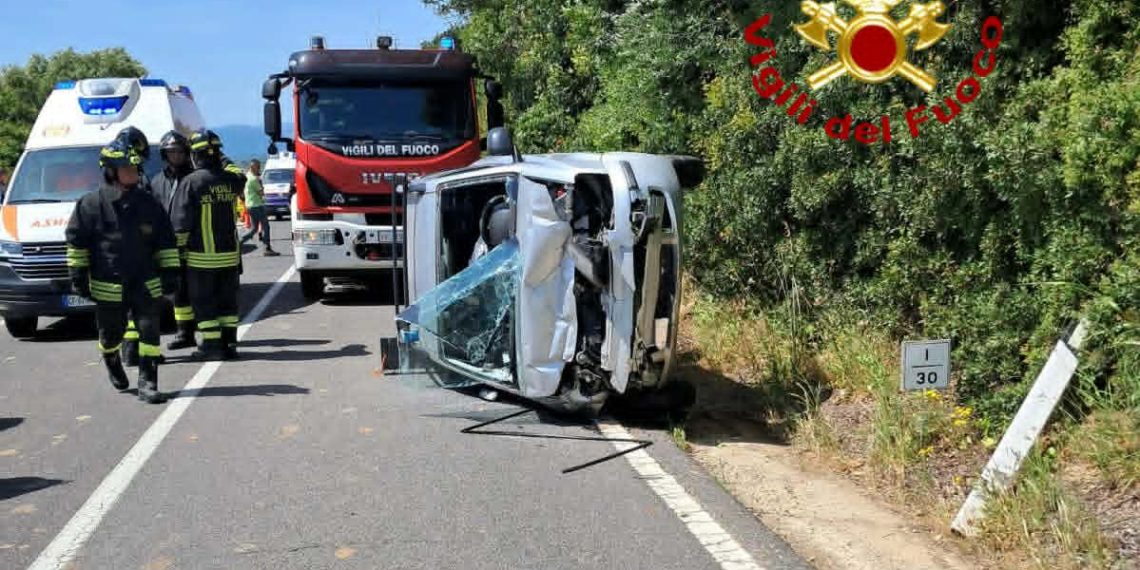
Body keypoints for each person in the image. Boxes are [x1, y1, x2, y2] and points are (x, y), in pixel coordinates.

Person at [65, 137, 179, 404]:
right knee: (111, 334)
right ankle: (110, 356)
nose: (133, 173)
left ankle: (148, 382)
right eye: (127, 168)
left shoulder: (149, 203)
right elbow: (76, 242)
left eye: (135, 168)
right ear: (111, 171)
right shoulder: (90, 204)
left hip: (145, 281)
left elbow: (165, 240)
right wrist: (78, 275)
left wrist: (171, 272)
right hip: (109, 284)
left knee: (149, 330)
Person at [176, 129, 245, 361]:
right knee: (227, 303)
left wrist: (178, 253)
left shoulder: (191, 182)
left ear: (195, 155)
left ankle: (211, 345)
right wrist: (222, 157)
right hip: (229, 257)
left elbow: (181, 222)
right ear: (217, 153)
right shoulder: (231, 179)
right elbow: (239, 173)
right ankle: (229, 344)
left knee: (203, 303)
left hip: (201, 257)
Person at [151, 131, 198, 350]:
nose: (176, 156)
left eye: (179, 152)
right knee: (177, 293)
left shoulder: (195, 178)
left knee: (199, 292)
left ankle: (208, 336)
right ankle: (184, 333)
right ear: (164, 154)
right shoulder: (157, 181)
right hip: (167, 247)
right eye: (171, 152)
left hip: (195, 247)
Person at [240, 159, 280, 256]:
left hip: (250, 205)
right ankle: (267, 248)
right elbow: (261, 193)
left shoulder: (247, 176)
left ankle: (239, 243)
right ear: (253, 168)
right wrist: (261, 183)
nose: (259, 169)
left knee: (254, 228)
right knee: (265, 226)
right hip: (257, 205)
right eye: (258, 167)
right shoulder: (254, 179)